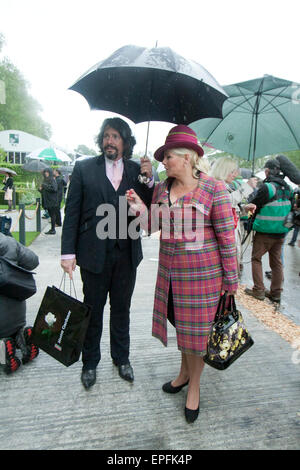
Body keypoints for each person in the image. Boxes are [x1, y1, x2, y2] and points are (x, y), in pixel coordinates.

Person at [126, 125, 238, 423]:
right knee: (183, 329)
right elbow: (152, 227)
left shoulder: (214, 189)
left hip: (203, 278)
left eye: (169, 156)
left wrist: (231, 280)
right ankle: (183, 373)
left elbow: (227, 238)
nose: (164, 162)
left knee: (197, 335)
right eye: (163, 157)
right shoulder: (162, 188)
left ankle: (194, 387)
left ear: (187, 158)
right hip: (170, 276)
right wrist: (139, 207)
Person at [61, 117, 154, 390]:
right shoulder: (84, 168)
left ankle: (121, 358)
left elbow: (151, 209)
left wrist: (148, 182)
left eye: (115, 136)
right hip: (92, 255)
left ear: (126, 141)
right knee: (93, 310)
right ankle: (90, 363)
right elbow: (72, 213)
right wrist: (68, 253)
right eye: (105, 136)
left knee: (122, 309)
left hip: (126, 254)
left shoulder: (138, 170)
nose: (109, 141)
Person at [244, 159, 293, 303]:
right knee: (276, 262)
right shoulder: (288, 188)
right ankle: (276, 293)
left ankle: (259, 290)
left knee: (256, 259)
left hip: (265, 232)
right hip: (281, 232)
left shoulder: (267, 187)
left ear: (267, 171)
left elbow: (255, 203)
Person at [209, 157, 257, 274]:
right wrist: (247, 187)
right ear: (223, 170)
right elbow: (223, 203)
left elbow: (230, 209)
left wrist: (244, 209)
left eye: (235, 171)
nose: (235, 174)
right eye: (232, 171)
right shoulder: (214, 186)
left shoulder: (228, 186)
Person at [0, 232, 39, 374]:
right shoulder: (8, 242)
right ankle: (23, 336)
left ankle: (3, 351)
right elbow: (33, 261)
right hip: (17, 313)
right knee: (15, 327)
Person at [38, 168, 58, 235]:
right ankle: (52, 229)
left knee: (52, 215)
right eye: (45, 172)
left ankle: (53, 229)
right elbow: (44, 191)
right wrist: (40, 189)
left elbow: (54, 189)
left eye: (47, 172)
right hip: (47, 200)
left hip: (51, 201)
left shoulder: (52, 179)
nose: (46, 173)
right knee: (51, 215)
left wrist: (44, 185)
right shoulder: (46, 180)